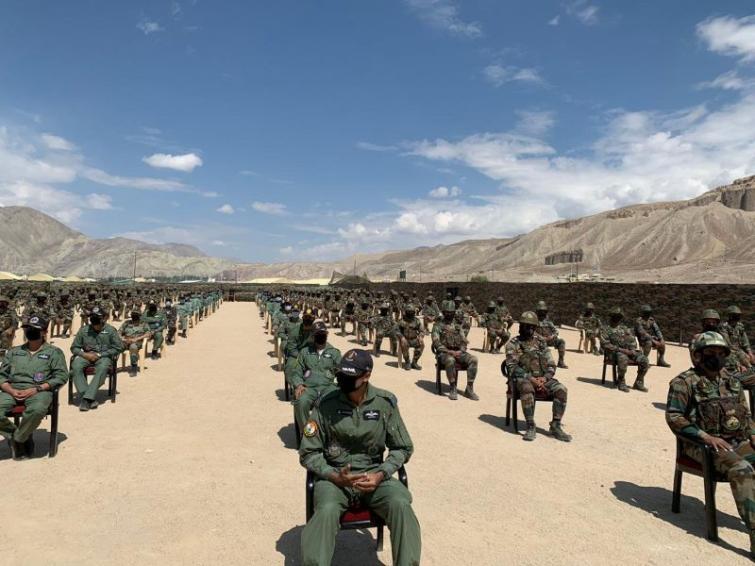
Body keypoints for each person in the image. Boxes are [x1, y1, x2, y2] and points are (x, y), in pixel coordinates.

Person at [299, 349, 421, 566]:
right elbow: (308, 452)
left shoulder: (384, 403)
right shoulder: (326, 405)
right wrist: (333, 476)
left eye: (349, 376)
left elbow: (403, 447)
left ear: (366, 376)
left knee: (401, 504)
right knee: (326, 510)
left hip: (373, 476)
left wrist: (382, 473)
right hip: (335, 479)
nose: (342, 380)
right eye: (340, 375)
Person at [666, 331, 755, 557]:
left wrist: (753, 433)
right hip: (703, 446)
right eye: (710, 352)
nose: (717, 357)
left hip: (737, 440)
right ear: (698, 356)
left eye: (721, 353)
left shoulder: (732, 380)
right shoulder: (684, 382)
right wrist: (705, 437)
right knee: (742, 469)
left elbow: (745, 414)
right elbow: (674, 417)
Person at [0, 315, 68, 459]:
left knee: (37, 409)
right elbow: (2, 375)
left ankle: (18, 440)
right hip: (12, 389)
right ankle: (17, 436)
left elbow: (61, 376)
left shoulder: (54, 352)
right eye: (27, 328)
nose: (30, 331)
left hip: (39, 391)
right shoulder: (13, 352)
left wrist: (38, 388)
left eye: (34, 329)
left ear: (44, 332)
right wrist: (10, 390)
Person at [505, 312, 571, 442]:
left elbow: (551, 363)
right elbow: (512, 367)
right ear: (521, 326)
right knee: (527, 388)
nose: (529, 330)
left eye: (532, 327)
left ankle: (555, 425)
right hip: (523, 379)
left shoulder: (541, 342)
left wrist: (545, 378)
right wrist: (531, 379)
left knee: (561, 389)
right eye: (526, 326)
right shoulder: (513, 344)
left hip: (542, 379)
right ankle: (530, 425)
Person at [288, 321, 342, 432]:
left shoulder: (334, 353)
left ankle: (332, 433)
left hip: (328, 387)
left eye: (322, 334)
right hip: (309, 388)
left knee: (340, 402)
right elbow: (296, 371)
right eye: (317, 334)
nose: (320, 336)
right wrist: (298, 384)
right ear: (313, 336)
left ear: (327, 335)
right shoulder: (305, 352)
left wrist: (342, 385)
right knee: (301, 402)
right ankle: (308, 433)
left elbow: (342, 372)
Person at [70, 307, 124, 411]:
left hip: (104, 357)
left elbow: (119, 347)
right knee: (75, 365)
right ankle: (89, 397)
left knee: (103, 367)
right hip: (87, 356)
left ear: (103, 318)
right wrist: (84, 355)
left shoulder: (110, 330)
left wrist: (100, 355)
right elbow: (74, 348)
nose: (94, 321)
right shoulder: (84, 330)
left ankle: (86, 399)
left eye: (97, 318)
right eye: (92, 318)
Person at [432, 302, 478, 401]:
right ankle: (453, 387)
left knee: (473, 359)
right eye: (447, 312)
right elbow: (436, 342)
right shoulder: (437, 325)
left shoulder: (457, 325)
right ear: (443, 312)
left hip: (458, 352)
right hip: (444, 353)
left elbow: (464, 340)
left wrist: (461, 351)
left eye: (451, 312)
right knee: (450, 360)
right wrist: (449, 351)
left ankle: (469, 388)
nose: (449, 314)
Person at [600, 307, 650, 392]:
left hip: (627, 352)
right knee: (622, 357)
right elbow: (605, 344)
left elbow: (632, 340)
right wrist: (622, 350)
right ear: (612, 316)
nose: (618, 318)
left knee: (644, 360)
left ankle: (638, 382)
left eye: (619, 316)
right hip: (613, 354)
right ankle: (621, 381)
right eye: (616, 316)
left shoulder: (624, 328)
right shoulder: (605, 329)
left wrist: (632, 350)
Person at [534, 301, 568, 368]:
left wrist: (552, 336)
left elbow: (555, 331)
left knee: (561, 341)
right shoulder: (534, 320)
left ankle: (560, 362)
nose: (542, 313)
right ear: (537, 311)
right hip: (538, 340)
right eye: (541, 311)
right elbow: (531, 331)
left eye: (544, 311)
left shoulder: (548, 321)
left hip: (549, 339)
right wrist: (540, 337)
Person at [119, 310, 152, 376]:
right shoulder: (126, 323)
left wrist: (137, 339)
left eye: (136, 315)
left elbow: (148, 334)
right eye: (133, 315)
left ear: (139, 316)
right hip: (126, 341)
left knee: (133, 347)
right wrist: (123, 339)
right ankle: (112, 366)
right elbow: (119, 332)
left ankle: (134, 367)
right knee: (116, 347)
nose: (134, 316)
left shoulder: (143, 324)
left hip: (137, 342)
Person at [396, 304, 424, 370]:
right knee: (404, 344)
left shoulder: (417, 321)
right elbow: (396, 330)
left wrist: (420, 336)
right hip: (405, 339)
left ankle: (414, 362)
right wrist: (401, 337)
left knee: (421, 345)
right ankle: (407, 362)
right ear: (406, 312)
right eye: (409, 312)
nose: (410, 313)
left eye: (412, 312)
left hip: (414, 339)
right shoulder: (401, 320)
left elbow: (422, 330)